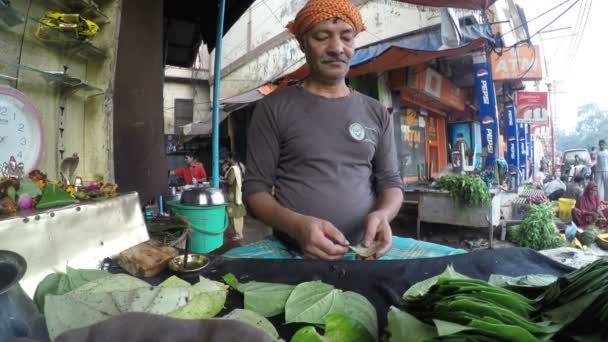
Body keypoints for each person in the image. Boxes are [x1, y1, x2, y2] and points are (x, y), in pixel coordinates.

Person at [242, 0, 404, 260]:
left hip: (363, 253)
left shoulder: (375, 112)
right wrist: (298, 227)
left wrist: (383, 214)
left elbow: (391, 183)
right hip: (292, 253)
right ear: (303, 44)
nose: (337, 48)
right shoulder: (273, 108)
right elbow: (254, 191)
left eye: (347, 38)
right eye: (321, 37)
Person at [222, 158, 246, 240]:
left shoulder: (233, 169)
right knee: (239, 214)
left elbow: (230, 181)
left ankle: (238, 234)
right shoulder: (239, 167)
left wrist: (225, 175)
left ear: (232, 159)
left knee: (234, 215)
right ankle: (239, 232)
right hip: (237, 193)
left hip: (233, 194)